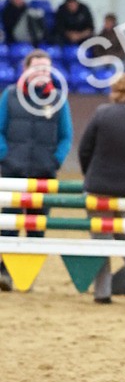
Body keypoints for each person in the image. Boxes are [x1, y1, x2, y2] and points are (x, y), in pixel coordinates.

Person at [78, 72, 125, 304]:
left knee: (101, 236)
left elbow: (84, 149)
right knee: (120, 228)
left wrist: (89, 175)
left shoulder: (103, 114)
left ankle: (103, 292)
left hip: (99, 184)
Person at [0, 49, 73, 291]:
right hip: (12, 171)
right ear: (26, 70)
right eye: (38, 67)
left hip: (44, 172)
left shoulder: (58, 99)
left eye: (47, 68)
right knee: (8, 223)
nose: (43, 72)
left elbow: (66, 136)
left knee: (37, 225)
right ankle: (5, 270)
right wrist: (4, 155)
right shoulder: (9, 95)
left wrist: (55, 160)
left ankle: (27, 274)